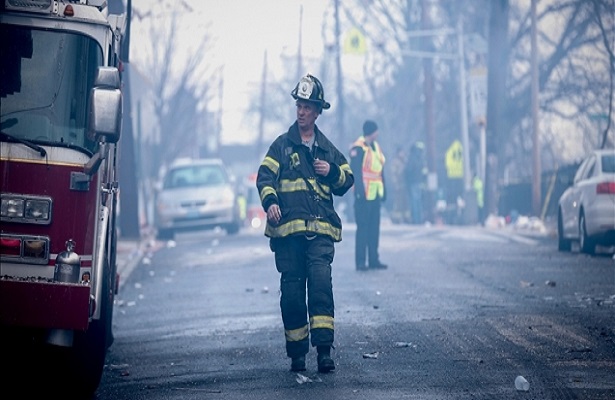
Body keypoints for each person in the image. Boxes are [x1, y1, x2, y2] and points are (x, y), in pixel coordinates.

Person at [256, 74, 354, 373]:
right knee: (293, 295)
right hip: (289, 236)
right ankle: (297, 355)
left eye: (307, 107)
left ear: (317, 111)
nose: (301, 112)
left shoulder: (326, 149)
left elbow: (348, 179)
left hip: (321, 232)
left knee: (321, 289)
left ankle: (324, 352)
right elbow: (264, 177)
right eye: (299, 105)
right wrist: (271, 202)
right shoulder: (281, 147)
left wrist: (332, 171)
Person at [349, 120, 388, 271]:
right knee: (363, 228)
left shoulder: (376, 147)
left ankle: (373, 259)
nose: (378, 133)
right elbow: (356, 172)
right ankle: (360, 262)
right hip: (363, 195)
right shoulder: (358, 148)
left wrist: (384, 190)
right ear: (371, 132)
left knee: (374, 228)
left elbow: (379, 170)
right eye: (376, 131)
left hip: (375, 194)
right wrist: (359, 192)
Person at [405, 141, 428, 224]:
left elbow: (408, 171)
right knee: (419, 202)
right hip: (419, 183)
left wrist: (408, 181)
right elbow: (424, 172)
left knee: (415, 202)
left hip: (413, 183)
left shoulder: (412, 159)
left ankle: (416, 220)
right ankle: (419, 219)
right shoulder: (421, 159)